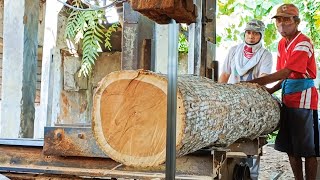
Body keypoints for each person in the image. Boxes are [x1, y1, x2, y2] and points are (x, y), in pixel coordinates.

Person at [248, 4, 319, 180]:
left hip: (303, 100)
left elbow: (286, 72)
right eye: (278, 20)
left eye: (287, 20)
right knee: (290, 147)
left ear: (296, 22)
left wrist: (255, 82)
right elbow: (284, 77)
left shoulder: (303, 42)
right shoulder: (282, 43)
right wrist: (271, 89)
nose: (281, 24)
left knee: (307, 149)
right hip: (288, 98)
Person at [218, 19, 273, 84]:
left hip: (253, 92)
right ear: (245, 33)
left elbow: (264, 78)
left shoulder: (266, 55)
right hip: (232, 91)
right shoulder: (233, 50)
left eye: (255, 33)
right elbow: (225, 74)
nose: (251, 36)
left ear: (261, 35)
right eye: (248, 32)